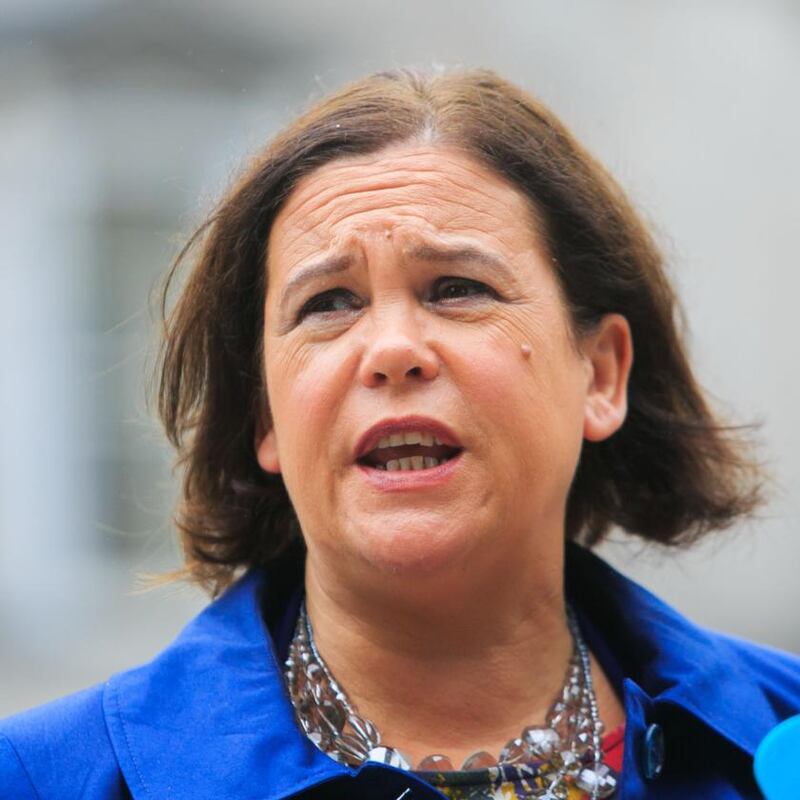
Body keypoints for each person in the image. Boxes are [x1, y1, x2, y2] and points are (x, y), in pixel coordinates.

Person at [1, 67, 798, 800]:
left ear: (600, 374)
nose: (390, 351)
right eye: (329, 304)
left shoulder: (776, 739)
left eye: (457, 288)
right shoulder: (44, 778)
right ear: (264, 416)